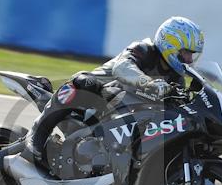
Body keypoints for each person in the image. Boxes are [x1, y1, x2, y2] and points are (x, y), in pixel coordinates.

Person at [22, 16, 205, 166]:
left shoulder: (177, 78)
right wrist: (149, 83)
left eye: (192, 55)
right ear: (170, 44)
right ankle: (35, 136)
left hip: (126, 117)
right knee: (84, 81)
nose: (189, 59)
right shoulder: (144, 50)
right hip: (98, 98)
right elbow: (122, 68)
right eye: (186, 52)